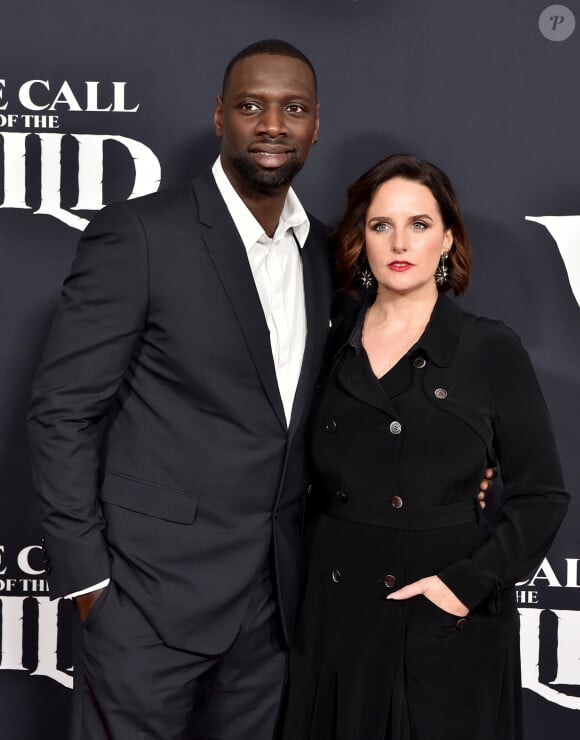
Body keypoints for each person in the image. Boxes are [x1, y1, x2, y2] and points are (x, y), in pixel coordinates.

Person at [28, 40, 330, 740]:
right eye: (251, 106)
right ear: (219, 115)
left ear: (318, 124)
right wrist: (89, 587)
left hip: (274, 610)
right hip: (144, 602)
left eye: (293, 108)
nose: (272, 125)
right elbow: (61, 413)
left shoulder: (320, 251)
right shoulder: (142, 234)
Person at [281, 153, 569, 740]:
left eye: (419, 224)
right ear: (360, 240)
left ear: (448, 239)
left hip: (442, 612)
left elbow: (542, 494)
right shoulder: (327, 337)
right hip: (335, 613)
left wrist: (463, 587)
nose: (398, 242)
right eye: (381, 225)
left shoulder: (488, 347)